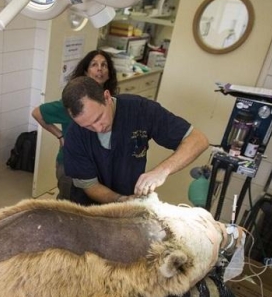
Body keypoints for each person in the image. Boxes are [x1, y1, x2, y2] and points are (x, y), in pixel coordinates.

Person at [61, 76, 209, 205]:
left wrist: (162, 171)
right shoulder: (74, 135)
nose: (98, 128)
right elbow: (90, 185)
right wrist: (121, 200)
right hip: (89, 209)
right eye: (88, 126)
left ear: (107, 97)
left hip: (128, 201)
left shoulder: (140, 110)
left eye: (99, 118)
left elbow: (198, 140)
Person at [31, 50, 118, 200]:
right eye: (94, 65)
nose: (100, 69)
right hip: (70, 166)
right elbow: (38, 113)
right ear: (85, 71)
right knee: (68, 205)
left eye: (104, 65)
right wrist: (60, 135)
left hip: (97, 166)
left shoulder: (112, 101)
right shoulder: (73, 103)